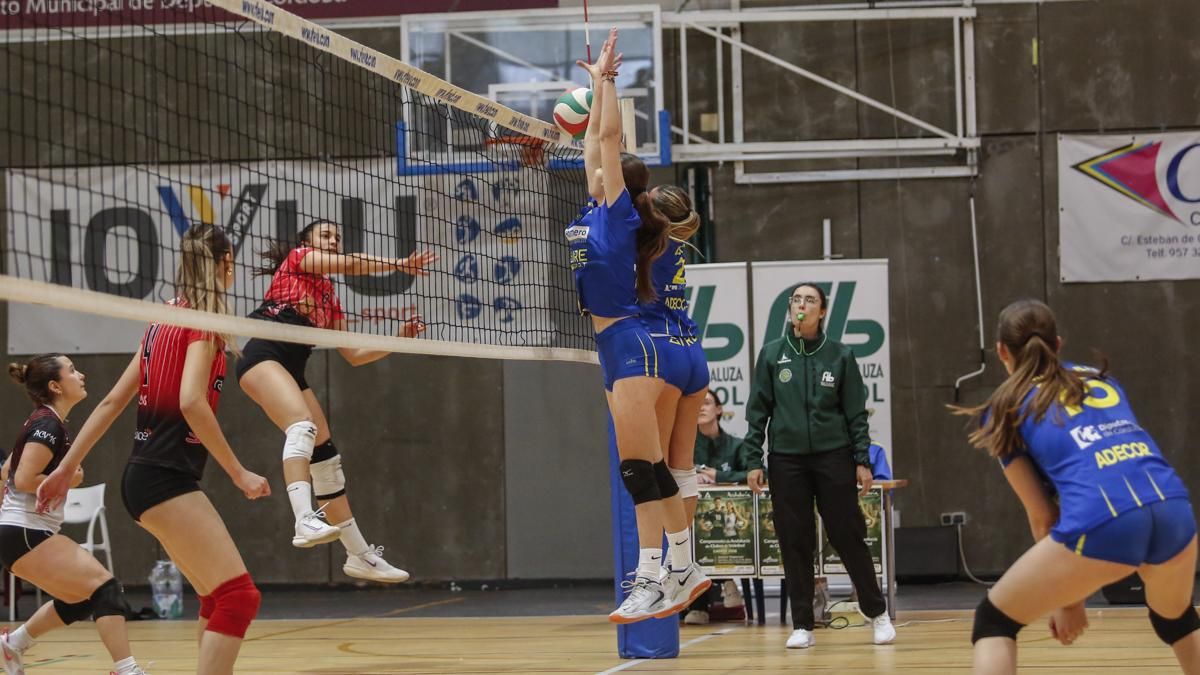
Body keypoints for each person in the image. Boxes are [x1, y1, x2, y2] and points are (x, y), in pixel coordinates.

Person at [37, 223, 271, 675]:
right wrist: (239, 472)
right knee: (240, 596)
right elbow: (191, 401)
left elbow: (110, 401)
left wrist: (66, 469)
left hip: (143, 479)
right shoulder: (204, 322)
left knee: (216, 596)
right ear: (226, 264)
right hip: (163, 477)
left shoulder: (162, 321)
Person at [949, 299, 1197, 675]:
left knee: (994, 622)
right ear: (1059, 343)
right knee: (1176, 619)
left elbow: (1042, 515)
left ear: (1001, 351)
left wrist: (1070, 601)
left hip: (1105, 517)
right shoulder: (1099, 378)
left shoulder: (1006, 405)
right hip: (1173, 507)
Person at [569, 28, 709, 623]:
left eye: (603, 170)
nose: (594, 171)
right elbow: (593, 146)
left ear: (619, 183)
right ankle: (677, 568)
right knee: (659, 471)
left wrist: (606, 83)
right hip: (670, 347)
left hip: (635, 344)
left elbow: (605, 139)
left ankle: (667, 571)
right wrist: (595, 90)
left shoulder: (622, 215)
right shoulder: (607, 212)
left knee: (641, 472)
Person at [235, 219, 435, 582]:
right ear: (306, 243)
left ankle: (359, 555)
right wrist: (398, 264)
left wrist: (399, 338)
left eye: (336, 237)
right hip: (262, 357)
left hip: (291, 368)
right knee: (301, 426)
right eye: (325, 235)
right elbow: (353, 264)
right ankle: (303, 520)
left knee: (326, 458)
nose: (333, 241)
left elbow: (355, 353)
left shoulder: (328, 297)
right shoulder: (298, 259)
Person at [740, 282, 895, 649]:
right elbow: (757, 412)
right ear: (790, 309)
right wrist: (752, 460)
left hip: (833, 456)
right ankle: (803, 625)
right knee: (795, 541)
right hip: (786, 460)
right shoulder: (772, 355)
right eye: (796, 299)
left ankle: (878, 614)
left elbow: (856, 413)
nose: (802, 305)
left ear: (822, 311)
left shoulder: (840, 356)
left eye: (810, 300)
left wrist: (861, 460)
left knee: (848, 534)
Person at [0, 355, 148, 675]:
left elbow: (6, 473)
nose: (81, 375)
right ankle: (127, 670)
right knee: (107, 588)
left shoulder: (44, 421)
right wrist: (71, 479)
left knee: (82, 598)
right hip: (26, 531)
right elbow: (23, 479)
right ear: (55, 385)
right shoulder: (48, 425)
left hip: (20, 532)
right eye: (72, 371)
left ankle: (14, 642)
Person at [694, 389, 749, 486]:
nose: (701, 408)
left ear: (718, 409)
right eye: (697, 403)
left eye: (706, 403)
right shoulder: (684, 447)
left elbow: (760, 473)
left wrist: (719, 476)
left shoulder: (737, 446)